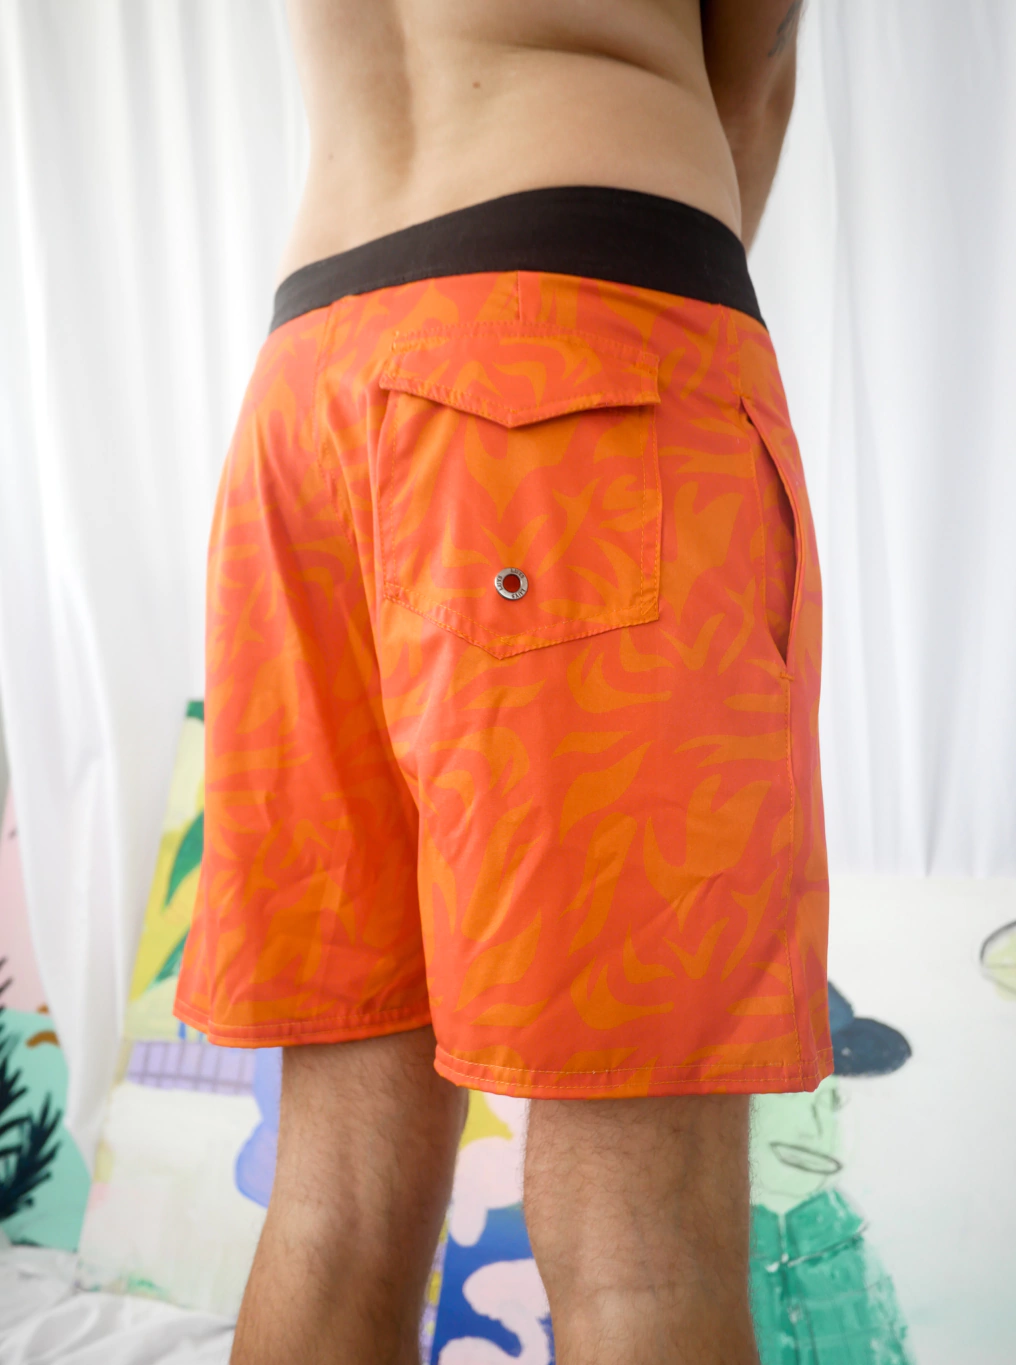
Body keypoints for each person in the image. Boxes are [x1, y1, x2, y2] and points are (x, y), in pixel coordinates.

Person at [172, 2, 832, 1361]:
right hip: (573, 345)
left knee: (332, 1203)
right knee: (645, 1252)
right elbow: (749, 80)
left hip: (307, 388)